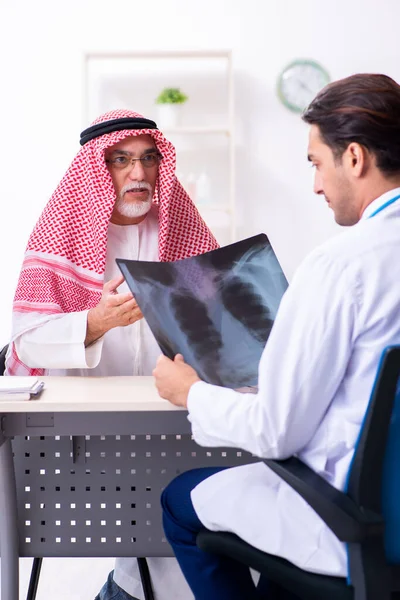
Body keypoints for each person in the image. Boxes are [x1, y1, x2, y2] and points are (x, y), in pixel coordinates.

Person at [152, 73, 400, 600]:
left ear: (353, 158)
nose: (314, 184)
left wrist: (189, 392)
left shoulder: (342, 266)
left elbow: (276, 434)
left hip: (357, 523)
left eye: (315, 162)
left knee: (181, 501)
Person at [5, 109, 218, 600]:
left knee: (179, 550)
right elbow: (26, 341)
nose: (139, 173)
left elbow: (221, 327)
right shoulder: (61, 235)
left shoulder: (184, 230)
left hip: (176, 425)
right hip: (86, 441)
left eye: (148, 159)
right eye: (122, 160)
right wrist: (98, 321)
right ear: (98, 169)